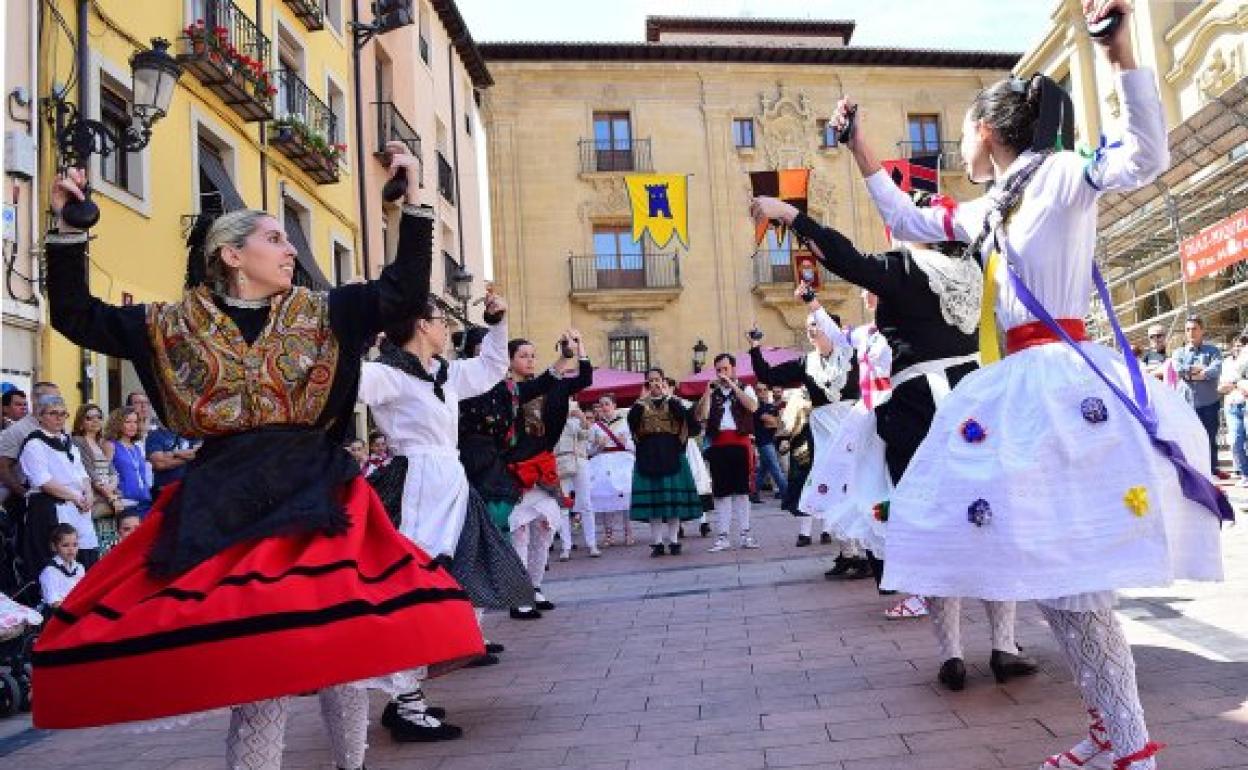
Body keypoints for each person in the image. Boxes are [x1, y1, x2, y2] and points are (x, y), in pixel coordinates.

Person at [829, 3, 1225, 767]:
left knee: (1069, 574)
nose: (962, 140)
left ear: (991, 127)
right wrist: (857, 146)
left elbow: (1144, 156)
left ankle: (1131, 745)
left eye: (968, 126)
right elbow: (909, 222)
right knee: (1057, 575)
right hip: (1021, 387)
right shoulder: (991, 206)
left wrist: (1119, 52)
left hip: (1062, 385)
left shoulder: (1069, 175)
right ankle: (1116, 730)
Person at [32, 148, 483, 770]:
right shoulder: (171, 322)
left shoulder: (326, 311)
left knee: (346, 648)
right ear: (232, 255)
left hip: (318, 488)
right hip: (226, 499)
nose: (290, 249)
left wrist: (415, 205)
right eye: (275, 238)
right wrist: (66, 231)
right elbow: (78, 316)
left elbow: (402, 292)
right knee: (259, 669)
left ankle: (349, 766)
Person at [752, 189, 1035, 687]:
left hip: (921, 409)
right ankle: (1004, 646)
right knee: (989, 518)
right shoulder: (972, 267)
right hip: (974, 401)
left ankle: (951, 654)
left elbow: (845, 258)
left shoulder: (905, 270)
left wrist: (793, 215)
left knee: (930, 525)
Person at [359, 288, 535, 742]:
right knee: (419, 592)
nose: (447, 328)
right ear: (421, 325)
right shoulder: (387, 375)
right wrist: (353, 327)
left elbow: (492, 368)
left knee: (463, 586)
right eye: (440, 320)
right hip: (417, 487)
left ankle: (407, 694)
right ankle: (406, 702)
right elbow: (346, 384)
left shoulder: (444, 373)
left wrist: (497, 323)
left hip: (450, 486)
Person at [459, 331, 592, 620]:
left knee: (544, 529)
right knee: (517, 532)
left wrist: (576, 352)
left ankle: (534, 586)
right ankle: (517, 596)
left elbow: (576, 379)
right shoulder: (497, 389)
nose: (530, 360)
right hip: (508, 469)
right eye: (523, 355)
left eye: (533, 355)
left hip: (541, 468)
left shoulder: (530, 389)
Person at [749, 296, 861, 563]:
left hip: (851, 425)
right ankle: (848, 551)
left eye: (816, 324)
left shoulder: (853, 356)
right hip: (823, 430)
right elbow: (767, 375)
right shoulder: (805, 363)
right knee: (833, 489)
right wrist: (755, 347)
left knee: (857, 487)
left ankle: (866, 550)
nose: (810, 328)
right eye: (809, 325)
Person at [628, 368, 704, 556]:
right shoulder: (639, 405)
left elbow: (684, 419)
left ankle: (674, 541)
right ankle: (657, 542)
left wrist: (668, 397)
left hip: (671, 452)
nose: (654, 384)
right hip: (648, 454)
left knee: (672, 502)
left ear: (663, 381)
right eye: (650, 381)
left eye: (658, 380)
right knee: (654, 504)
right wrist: (641, 400)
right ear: (646, 383)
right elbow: (632, 422)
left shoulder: (673, 402)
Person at [18, 395, 100, 570]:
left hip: (78, 507)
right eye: (53, 413)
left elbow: (82, 473)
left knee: (85, 557)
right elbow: (44, 481)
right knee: (56, 562)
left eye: (63, 414)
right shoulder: (35, 444)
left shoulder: (67, 441)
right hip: (50, 508)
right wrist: (76, 497)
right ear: (39, 416)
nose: (59, 418)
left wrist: (89, 494)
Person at [695, 353, 760, 552]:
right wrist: (707, 392)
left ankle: (745, 534)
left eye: (725, 369)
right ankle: (722, 536)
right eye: (719, 370)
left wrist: (732, 386)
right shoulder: (712, 392)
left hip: (740, 444)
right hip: (718, 444)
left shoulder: (745, 387)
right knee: (722, 494)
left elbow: (752, 406)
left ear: (733, 369)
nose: (722, 373)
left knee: (741, 492)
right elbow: (701, 416)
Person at [70, 404, 124, 553]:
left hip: (107, 499)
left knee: (110, 546)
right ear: (81, 422)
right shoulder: (77, 441)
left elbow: (112, 471)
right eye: (89, 418)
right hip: (94, 499)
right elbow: (89, 472)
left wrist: (111, 489)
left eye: (99, 417)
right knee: (96, 547)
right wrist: (112, 497)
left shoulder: (101, 443)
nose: (95, 421)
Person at [1173, 315, 1223, 474]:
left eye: (1194, 329)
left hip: (1209, 403)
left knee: (1209, 438)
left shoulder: (1213, 351)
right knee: (1189, 439)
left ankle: (1212, 471)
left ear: (1202, 330)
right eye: (1188, 329)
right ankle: (1194, 472)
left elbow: (1215, 370)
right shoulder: (1178, 352)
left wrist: (1194, 373)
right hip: (1186, 404)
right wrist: (1201, 371)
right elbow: (1180, 371)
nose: (1191, 332)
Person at [585, 394, 635, 546]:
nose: (604, 408)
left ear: (614, 405)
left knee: (626, 496)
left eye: (607, 404)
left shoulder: (626, 423)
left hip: (622, 462)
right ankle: (609, 535)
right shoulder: (595, 427)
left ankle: (628, 532)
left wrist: (625, 443)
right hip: (602, 463)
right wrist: (598, 446)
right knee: (605, 496)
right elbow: (588, 451)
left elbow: (635, 446)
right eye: (601, 405)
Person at [556, 401, 598, 559]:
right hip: (560, 461)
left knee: (586, 502)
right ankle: (565, 547)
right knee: (563, 505)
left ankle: (592, 544)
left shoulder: (574, 408)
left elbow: (587, 435)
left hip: (579, 459)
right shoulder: (550, 411)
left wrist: (580, 416)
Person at [104, 407, 152, 517]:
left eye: (135, 422)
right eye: (128, 422)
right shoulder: (110, 445)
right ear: (117, 424)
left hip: (144, 502)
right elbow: (104, 474)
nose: (133, 425)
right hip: (126, 503)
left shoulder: (137, 447)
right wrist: (114, 497)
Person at [1219, 333, 1248, 485]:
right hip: (1232, 406)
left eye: (1241, 346)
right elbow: (1221, 387)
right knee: (1236, 441)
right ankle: (1245, 474)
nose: (1238, 348)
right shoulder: (1226, 364)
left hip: (1246, 404)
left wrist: (1234, 383)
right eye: (1236, 346)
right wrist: (1238, 384)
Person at [750, 386, 787, 505]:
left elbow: (778, 422)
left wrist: (774, 421)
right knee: (775, 468)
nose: (762, 392)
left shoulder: (771, 406)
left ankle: (753, 493)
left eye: (765, 389)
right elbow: (772, 422)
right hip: (763, 441)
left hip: (771, 440)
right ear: (756, 392)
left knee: (763, 469)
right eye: (759, 390)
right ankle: (787, 494)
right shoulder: (756, 406)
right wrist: (773, 421)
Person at [145, 422, 196, 501]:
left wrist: (174, 453)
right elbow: (160, 464)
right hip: (165, 491)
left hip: (188, 490)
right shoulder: (154, 435)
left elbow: (197, 453)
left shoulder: (188, 433)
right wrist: (187, 456)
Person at [39, 524, 84, 609]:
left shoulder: (80, 568)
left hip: (77, 610)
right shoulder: (50, 572)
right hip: (58, 614)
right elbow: (54, 603)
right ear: (54, 547)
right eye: (65, 545)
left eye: (75, 545)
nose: (71, 549)